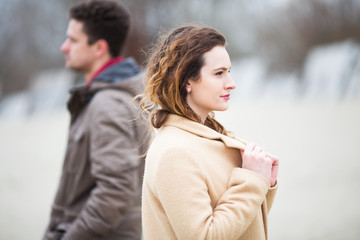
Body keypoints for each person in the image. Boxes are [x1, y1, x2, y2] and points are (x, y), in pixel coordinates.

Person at [139, 25, 279, 240]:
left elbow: (238, 227)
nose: (231, 84)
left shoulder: (206, 138)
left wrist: (263, 182)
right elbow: (205, 236)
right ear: (187, 81)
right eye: (219, 73)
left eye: (228, 72)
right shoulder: (175, 152)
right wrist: (251, 180)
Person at [43, 0, 149, 239]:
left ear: (99, 48)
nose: (64, 47)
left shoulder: (106, 104)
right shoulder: (111, 97)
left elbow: (116, 191)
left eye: (72, 39)